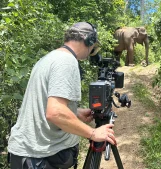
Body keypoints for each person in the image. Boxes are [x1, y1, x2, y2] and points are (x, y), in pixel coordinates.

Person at [7, 22, 116, 169]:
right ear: (89, 41)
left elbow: (43, 102)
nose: (91, 51)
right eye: (93, 47)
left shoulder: (49, 58)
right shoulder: (67, 61)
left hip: (27, 154)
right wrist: (93, 133)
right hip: (38, 158)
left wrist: (74, 112)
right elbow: (55, 113)